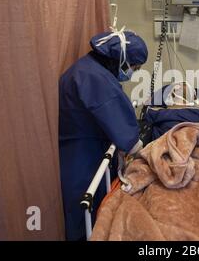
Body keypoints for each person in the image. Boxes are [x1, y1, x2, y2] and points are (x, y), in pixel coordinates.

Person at [58, 29, 148, 240]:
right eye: (134, 67)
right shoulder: (96, 79)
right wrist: (146, 153)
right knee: (83, 214)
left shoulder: (88, 68)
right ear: (121, 59)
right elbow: (128, 138)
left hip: (80, 146)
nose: (132, 72)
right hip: (81, 155)